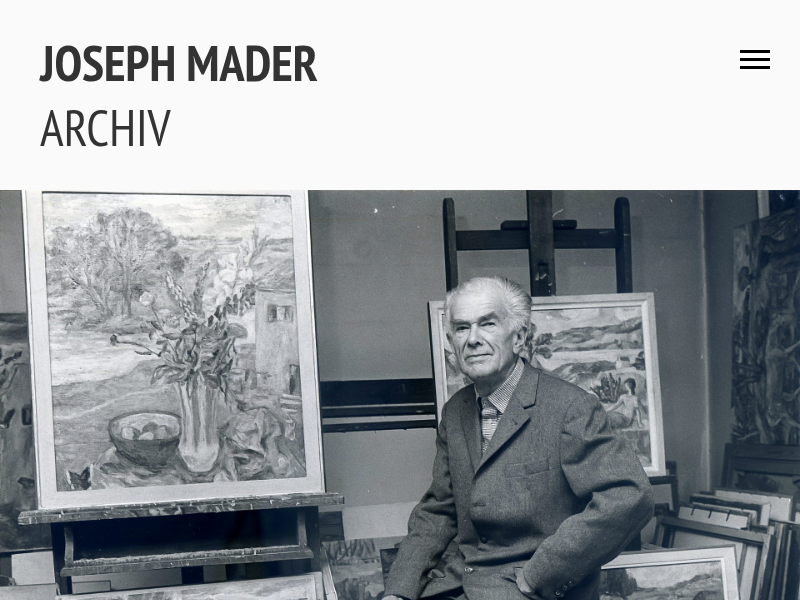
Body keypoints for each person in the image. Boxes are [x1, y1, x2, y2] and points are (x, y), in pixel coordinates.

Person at [383, 277, 653, 600]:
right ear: (452, 342)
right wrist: (398, 591)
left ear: (520, 337)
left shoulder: (570, 407)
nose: (473, 339)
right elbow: (438, 511)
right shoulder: (454, 412)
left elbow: (630, 496)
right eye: (461, 328)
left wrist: (541, 574)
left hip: (532, 591)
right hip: (460, 587)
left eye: (488, 324)